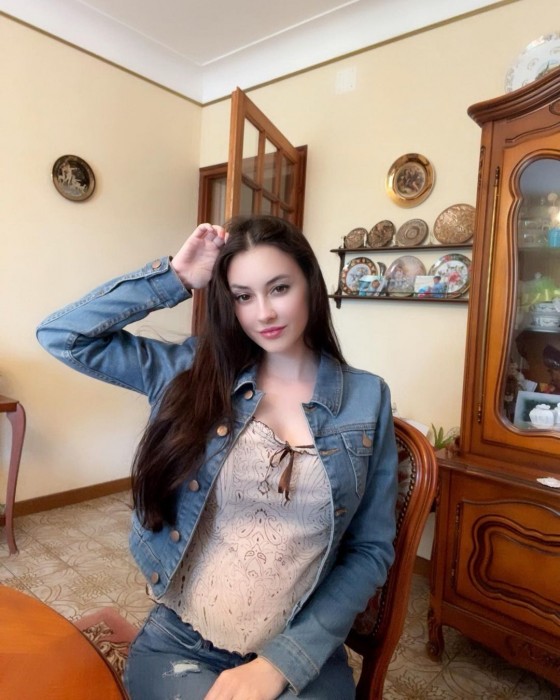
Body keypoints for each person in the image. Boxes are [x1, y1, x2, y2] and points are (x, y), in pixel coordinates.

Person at [37, 215, 398, 700]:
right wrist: (176, 278)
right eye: (243, 296)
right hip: (183, 643)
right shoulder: (193, 372)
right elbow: (62, 335)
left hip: (300, 648)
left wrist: (281, 663)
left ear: (310, 284)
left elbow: (370, 550)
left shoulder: (367, 398)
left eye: (279, 288)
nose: (263, 313)